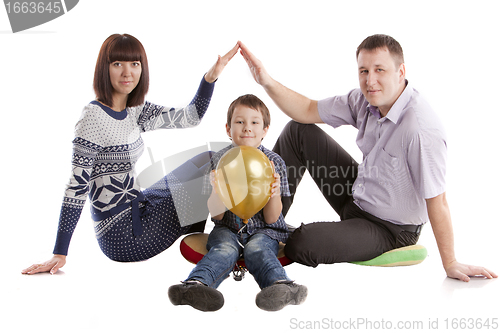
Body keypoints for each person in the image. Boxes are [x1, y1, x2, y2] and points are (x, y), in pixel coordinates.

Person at [238, 35, 497, 282]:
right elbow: (307, 109)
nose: (370, 81)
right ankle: (264, 223)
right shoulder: (363, 101)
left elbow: (438, 201)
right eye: (364, 71)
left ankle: (284, 234)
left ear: (401, 72)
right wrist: (266, 81)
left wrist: (450, 262)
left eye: (379, 70)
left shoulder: (420, 129)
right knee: (298, 130)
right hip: (357, 193)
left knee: (301, 244)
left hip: (389, 228)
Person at [21, 34, 238, 275]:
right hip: (123, 235)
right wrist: (59, 252)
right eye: (118, 64)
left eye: (134, 64)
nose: (127, 73)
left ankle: (240, 230)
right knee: (217, 174)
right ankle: (232, 240)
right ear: (104, 68)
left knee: (213, 159)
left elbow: (191, 116)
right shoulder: (92, 118)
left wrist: (211, 77)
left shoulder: (135, 110)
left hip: (140, 204)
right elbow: (76, 186)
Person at [168, 94, 307, 312]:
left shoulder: (274, 162)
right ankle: (195, 286)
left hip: (265, 231)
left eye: (254, 122)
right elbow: (217, 215)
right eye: (239, 122)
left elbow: (272, 219)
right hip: (227, 228)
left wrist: (274, 192)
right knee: (223, 249)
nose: (247, 128)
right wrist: (217, 190)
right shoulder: (219, 160)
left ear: (265, 130)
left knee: (258, 250)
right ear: (228, 128)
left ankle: (282, 287)